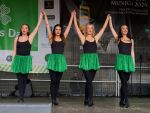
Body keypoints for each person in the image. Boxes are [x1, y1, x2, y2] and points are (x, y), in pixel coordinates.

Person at [73, 10, 109, 107]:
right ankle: (90, 100)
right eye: (88, 28)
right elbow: (76, 28)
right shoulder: (83, 38)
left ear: (93, 30)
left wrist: (107, 19)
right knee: (89, 81)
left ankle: (85, 99)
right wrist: (73, 17)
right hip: (85, 61)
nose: (89, 29)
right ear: (86, 29)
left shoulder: (96, 38)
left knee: (89, 82)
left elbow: (103, 29)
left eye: (91, 28)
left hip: (93, 61)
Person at [43, 10, 74, 105]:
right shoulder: (51, 38)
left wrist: (72, 16)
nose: (58, 31)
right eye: (56, 29)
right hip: (53, 60)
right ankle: (53, 98)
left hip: (60, 60)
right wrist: (45, 15)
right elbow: (48, 26)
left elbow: (68, 27)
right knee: (53, 80)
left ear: (61, 31)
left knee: (58, 81)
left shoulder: (63, 37)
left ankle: (55, 97)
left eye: (59, 29)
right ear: (54, 30)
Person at [11, 12, 43, 102]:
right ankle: (21, 97)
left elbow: (37, 28)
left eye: (26, 28)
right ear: (21, 29)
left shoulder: (30, 37)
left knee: (24, 79)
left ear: (28, 30)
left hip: (26, 60)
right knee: (19, 80)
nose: (24, 29)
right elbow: (14, 51)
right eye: (23, 28)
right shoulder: (16, 38)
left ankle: (21, 96)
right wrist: (13, 61)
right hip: (17, 60)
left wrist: (40, 18)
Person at [109, 15, 135, 108]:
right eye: (123, 28)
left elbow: (132, 52)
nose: (125, 29)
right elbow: (111, 28)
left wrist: (133, 63)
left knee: (125, 82)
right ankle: (127, 101)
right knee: (124, 81)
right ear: (121, 30)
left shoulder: (131, 40)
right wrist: (110, 20)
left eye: (126, 28)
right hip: (120, 61)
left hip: (128, 62)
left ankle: (121, 100)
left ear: (128, 30)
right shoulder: (118, 39)